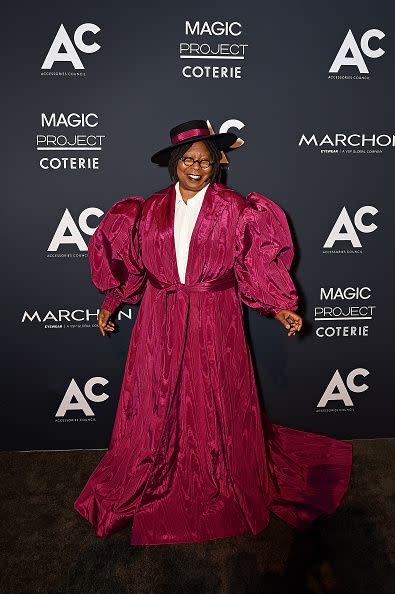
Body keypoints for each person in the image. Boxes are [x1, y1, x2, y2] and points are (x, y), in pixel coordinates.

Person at [74, 120, 353, 546]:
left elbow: (252, 266)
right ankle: (153, 470)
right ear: (174, 163)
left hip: (214, 313)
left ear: (217, 163)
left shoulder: (236, 209)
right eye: (188, 160)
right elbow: (130, 265)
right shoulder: (148, 209)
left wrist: (280, 307)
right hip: (159, 316)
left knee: (215, 394)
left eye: (205, 160)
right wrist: (112, 301)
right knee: (156, 401)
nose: (197, 168)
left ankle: (217, 477)